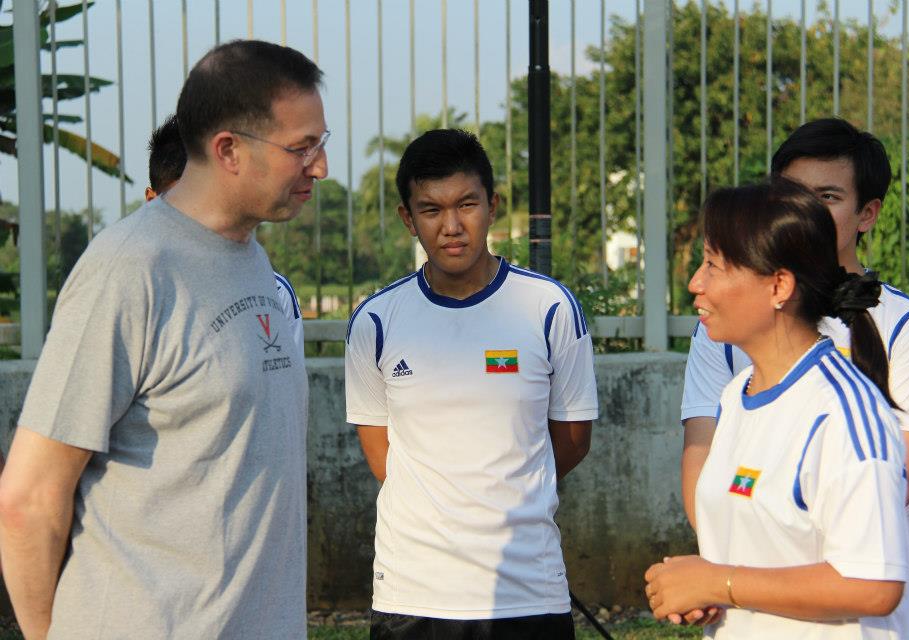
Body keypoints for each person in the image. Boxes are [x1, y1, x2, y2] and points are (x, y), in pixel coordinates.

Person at [0, 39, 328, 639]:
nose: (321, 166)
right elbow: (28, 497)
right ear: (228, 149)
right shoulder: (130, 269)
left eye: (320, 144)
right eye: (301, 148)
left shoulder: (249, 259)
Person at [680, 118, 909, 638]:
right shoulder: (735, 364)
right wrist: (717, 569)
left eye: (826, 196)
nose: (802, 212)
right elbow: (702, 459)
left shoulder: (902, 337)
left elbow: (897, 490)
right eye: (789, 194)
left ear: (867, 213)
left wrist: (732, 578)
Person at [345, 129, 598, 639]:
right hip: (412, 593)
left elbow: (571, 441)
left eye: (467, 204)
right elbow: (383, 457)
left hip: (526, 589)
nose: (452, 226)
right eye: (431, 210)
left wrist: (505, 490)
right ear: (407, 218)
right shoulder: (376, 320)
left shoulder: (548, 308)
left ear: (493, 206)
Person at [147, 114, 305, 352]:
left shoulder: (272, 291)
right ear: (152, 201)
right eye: (182, 205)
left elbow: (289, 386)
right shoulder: (130, 289)